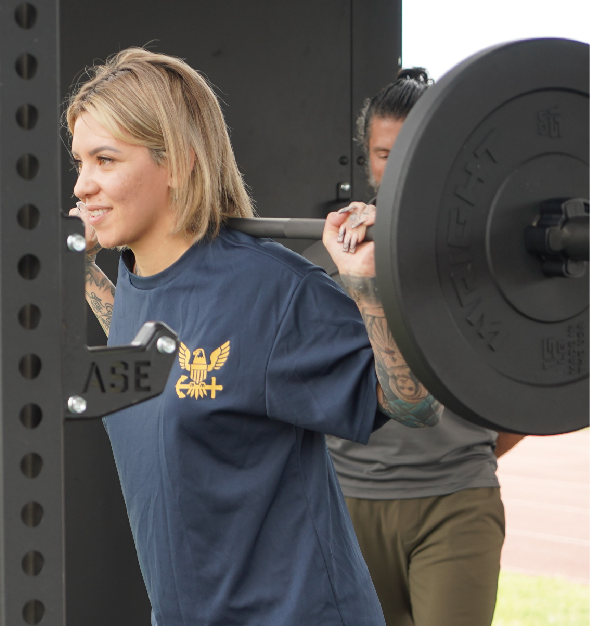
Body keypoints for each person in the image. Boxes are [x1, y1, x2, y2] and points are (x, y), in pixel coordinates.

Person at [67, 48, 444, 626]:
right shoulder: (136, 277)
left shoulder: (270, 289)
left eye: (106, 160)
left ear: (180, 163)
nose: (83, 185)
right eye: (80, 163)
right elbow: (157, 355)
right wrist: (79, 271)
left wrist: (367, 286)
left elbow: (413, 405)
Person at [324, 68, 526, 626]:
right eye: (384, 152)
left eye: (412, 148)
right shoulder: (339, 254)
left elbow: (525, 378)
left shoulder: (489, 251)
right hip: (349, 504)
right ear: (366, 159)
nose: (396, 166)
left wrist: (467, 454)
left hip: (457, 503)